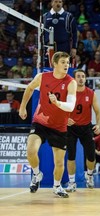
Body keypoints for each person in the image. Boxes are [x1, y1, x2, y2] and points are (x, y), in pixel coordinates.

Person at [19, 51, 77, 198]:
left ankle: (57, 186)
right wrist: (22, 106)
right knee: (31, 151)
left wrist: (57, 103)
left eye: (68, 62)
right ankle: (37, 174)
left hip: (59, 126)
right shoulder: (42, 77)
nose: (66, 65)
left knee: (59, 163)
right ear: (55, 64)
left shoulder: (71, 82)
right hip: (41, 122)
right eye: (63, 62)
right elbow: (30, 88)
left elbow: (70, 107)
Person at [66, 69, 100, 192]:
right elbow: (59, 108)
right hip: (71, 128)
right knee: (71, 156)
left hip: (86, 127)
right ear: (74, 79)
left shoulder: (91, 93)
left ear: (85, 79)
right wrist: (65, 119)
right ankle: (71, 182)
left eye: (83, 76)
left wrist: (98, 125)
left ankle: (90, 176)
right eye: (78, 76)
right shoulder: (68, 93)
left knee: (91, 155)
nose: (81, 78)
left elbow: (98, 111)